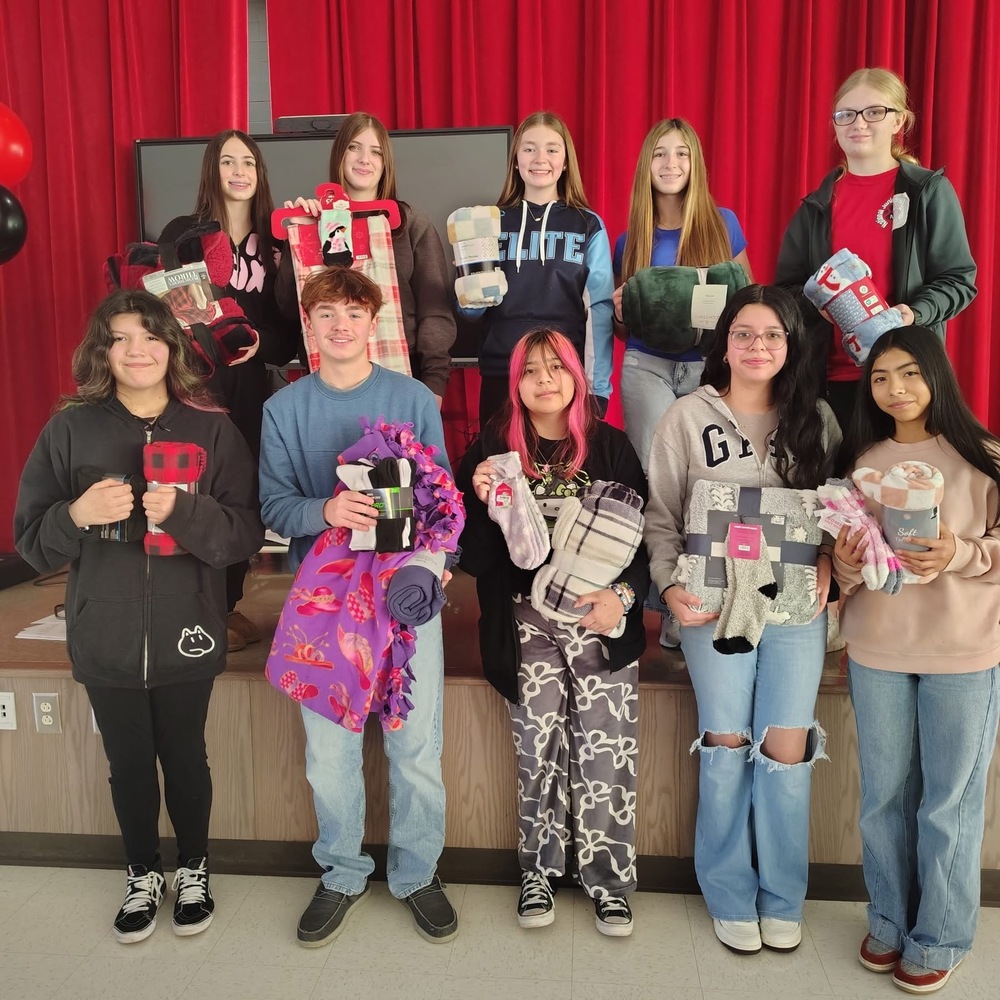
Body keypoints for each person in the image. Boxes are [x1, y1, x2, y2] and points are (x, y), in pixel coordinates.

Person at [14, 289, 263, 944]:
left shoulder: (212, 429)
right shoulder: (69, 429)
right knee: (127, 762)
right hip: (106, 632)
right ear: (103, 351)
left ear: (172, 346)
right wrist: (76, 516)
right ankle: (142, 873)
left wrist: (181, 513)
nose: (137, 350)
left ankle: (195, 869)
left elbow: (242, 534)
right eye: (120, 338)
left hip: (190, 624)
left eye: (150, 335)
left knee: (185, 756)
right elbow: (31, 539)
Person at [258, 266, 458, 948]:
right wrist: (326, 509)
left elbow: (445, 502)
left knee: (415, 745)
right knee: (329, 752)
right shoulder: (283, 409)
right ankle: (341, 871)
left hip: (404, 599)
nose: (340, 324)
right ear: (309, 325)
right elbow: (273, 505)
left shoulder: (411, 400)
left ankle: (417, 872)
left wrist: (438, 567)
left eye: (353, 312)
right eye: (327, 314)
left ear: (374, 323)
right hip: (325, 605)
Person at [644, 284, 840, 955]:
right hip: (714, 604)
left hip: (790, 609)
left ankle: (782, 895)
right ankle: (729, 890)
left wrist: (829, 569)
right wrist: (670, 587)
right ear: (724, 342)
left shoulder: (815, 418)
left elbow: (840, 516)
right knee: (726, 743)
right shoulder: (684, 417)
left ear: (792, 346)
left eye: (773, 336)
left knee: (785, 749)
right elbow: (662, 516)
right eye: (745, 333)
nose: (759, 347)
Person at [456, 329, 648, 936]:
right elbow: (474, 557)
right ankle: (538, 871)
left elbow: (646, 540)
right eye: (530, 370)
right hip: (524, 622)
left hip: (598, 622)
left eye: (556, 367)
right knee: (536, 749)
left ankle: (609, 879)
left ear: (576, 375)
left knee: (606, 750)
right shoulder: (491, 450)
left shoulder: (611, 448)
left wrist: (621, 599)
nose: (544, 379)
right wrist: (482, 498)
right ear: (515, 384)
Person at [833, 327, 1000, 995]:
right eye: (880, 377)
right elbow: (850, 565)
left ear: (936, 376)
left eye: (908, 373)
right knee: (883, 799)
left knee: (947, 805)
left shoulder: (983, 455)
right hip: (877, 647)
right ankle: (890, 920)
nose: (894, 388)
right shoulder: (864, 461)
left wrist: (960, 554)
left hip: (963, 650)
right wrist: (846, 561)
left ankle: (941, 935)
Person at [160, 129, 301, 652]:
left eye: (249, 162)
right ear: (211, 171)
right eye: (227, 162)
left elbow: (292, 330)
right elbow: (169, 313)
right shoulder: (184, 237)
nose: (239, 171)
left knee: (244, 493)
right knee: (196, 489)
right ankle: (195, 603)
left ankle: (227, 603)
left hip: (253, 388)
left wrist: (261, 340)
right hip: (196, 385)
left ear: (259, 173)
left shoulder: (280, 243)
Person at [775, 67, 977, 430]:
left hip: (909, 383)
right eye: (846, 114)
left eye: (874, 112)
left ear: (899, 120)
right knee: (837, 487)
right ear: (835, 125)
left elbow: (959, 280)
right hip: (833, 383)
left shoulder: (927, 192)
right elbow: (785, 291)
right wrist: (819, 306)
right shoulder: (815, 207)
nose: (859, 124)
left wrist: (911, 314)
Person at [282, 111, 456, 405]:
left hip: (404, 378)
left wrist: (434, 383)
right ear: (339, 155)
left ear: (385, 163)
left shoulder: (409, 222)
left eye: (375, 152)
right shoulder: (314, 222)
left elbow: (435, 310)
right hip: (328, 382)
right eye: (354, 147)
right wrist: (300, 239)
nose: (365, 159)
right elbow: (289, 308)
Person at [613, 117, 753, 471]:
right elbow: (623, 332)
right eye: (659, 154)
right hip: (645, 365)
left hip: (708, 366)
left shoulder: (724, 224)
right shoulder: (628, 242)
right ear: (647, 164)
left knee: (709, 469)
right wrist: (618, 313)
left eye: (681, 153)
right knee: (652, 469)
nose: (670, 164)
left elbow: (749, 304)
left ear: (695, 164)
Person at [459, 112, 614, 426]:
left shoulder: (587, 225)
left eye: (552, 149)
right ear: (516, 160)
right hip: (502, 371)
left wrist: (598, 389)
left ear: (566, 160)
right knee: (501, 472)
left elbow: (600, 309)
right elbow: (471, 314)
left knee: (562, 474)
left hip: (562, 376)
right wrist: (469, 292)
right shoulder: (489, 221)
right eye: (529, 148)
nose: (540, 158)